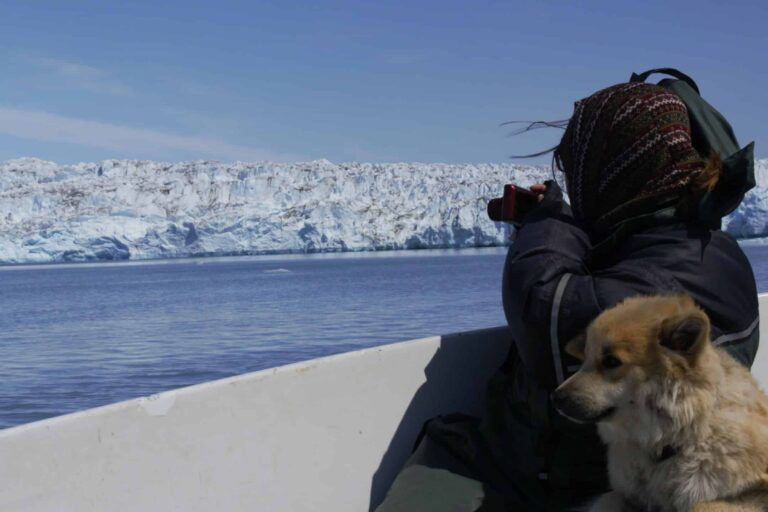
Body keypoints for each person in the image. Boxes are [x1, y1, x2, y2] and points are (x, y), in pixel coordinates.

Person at [375, 81, 759, 511]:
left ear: (613, 173)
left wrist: (548, 222)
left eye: (579, 170)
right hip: (561, 465)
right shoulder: (697, 247)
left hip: (575, 482)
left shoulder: (668, 277)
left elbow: (549, 314)